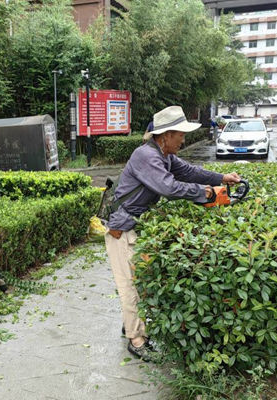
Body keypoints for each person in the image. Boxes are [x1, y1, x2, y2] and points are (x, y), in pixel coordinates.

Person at [105, 106, 241, 361]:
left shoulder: (164, 155)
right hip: (121, 229)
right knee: (130, 287)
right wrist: (205, 193)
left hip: (134, 226)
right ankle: (135, 340)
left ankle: (131, 323)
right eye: (180, 134)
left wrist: (221, 178)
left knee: (140, 282)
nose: (184, 139)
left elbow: (189, 172)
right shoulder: (146, 155)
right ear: (165, 135)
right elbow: (168, 187)